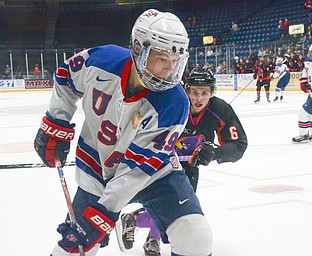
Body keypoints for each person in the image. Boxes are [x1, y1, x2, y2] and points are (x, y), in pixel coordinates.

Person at [34, 9, 213, 256]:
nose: (169, 69)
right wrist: (56, 123)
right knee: (74, 248)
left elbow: (135, 171)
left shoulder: (174, 103)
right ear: (139, 49)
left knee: (196, 236)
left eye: (175, 61)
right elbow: (66, 75)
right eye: (162, 58)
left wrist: (102, 214)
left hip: (155, 175)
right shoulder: (102, 61)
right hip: (96, 169)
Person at [120, 68, 248, 256]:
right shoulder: (174, 104)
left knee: (181, 211)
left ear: (212, 93)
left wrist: (213, 152)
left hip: (188, 167)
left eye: (205, 93)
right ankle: (146, 231)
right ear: (186, 90)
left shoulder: (220, 109)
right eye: (194, 92)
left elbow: (238, 144)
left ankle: (139, 225)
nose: (199, 98)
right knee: (163, 204)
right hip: (159, 164)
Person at [292, 45, 312, 143]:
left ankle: (304, 134)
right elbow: (305, 73)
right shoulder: (308, 62)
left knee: (303, 113)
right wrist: (304, 82)